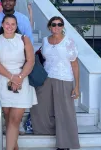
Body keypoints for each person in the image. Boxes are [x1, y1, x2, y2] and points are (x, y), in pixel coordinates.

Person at [30, 16, 80, 150]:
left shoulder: (68, 42)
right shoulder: (45, 41)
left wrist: (77, 86)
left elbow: (75, 65)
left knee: (65, 111)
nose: (56, 27)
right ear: (49, 27)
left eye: (59, 24)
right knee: (40, 106)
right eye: (54, 24)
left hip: (64, 78)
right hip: (46, 78)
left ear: (63, 26)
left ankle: (66, 143)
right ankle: (45, 131)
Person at [0, 14, 37, 150]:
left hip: (22, 81)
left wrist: (20, 77)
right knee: (8, 118)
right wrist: (12, 77)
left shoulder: (24, 39)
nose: (9, 27)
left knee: (15, 120)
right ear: (2, 24)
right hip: (3, 80)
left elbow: (31, 60)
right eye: (7, 23)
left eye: (13, 24)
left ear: (16, 26)